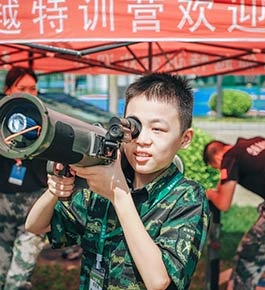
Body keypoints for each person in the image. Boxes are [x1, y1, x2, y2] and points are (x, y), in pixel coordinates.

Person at [25, 72, 210, 290]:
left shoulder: (187, 196)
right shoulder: (102, 186)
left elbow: (158, 281)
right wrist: (55, 188)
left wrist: (118, 194)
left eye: (158, 129)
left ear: (184, 139)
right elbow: (35, 226)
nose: (142, 140)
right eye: (135, 127)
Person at [203, 137, 265, 290]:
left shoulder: (229, 157)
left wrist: (209, 193)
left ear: (217, 157)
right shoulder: (255, 142)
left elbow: (224, 203)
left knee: (248, 259)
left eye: (216, 167)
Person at [0, 66, 48, 290]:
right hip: (3, 206)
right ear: (8, 90)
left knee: (17, 279)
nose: (29, 93)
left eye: (33, 89)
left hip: (34, 206)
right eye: (22, 88)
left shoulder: (45, 119)